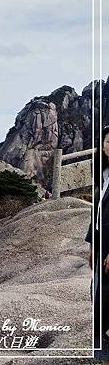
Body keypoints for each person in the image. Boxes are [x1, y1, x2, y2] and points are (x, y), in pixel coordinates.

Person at [88, 125, 109, 361]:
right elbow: (97, 213)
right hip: (101, 243)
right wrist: (91, 243)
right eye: (107, 140)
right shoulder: (103, 175)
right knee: (98, 293)